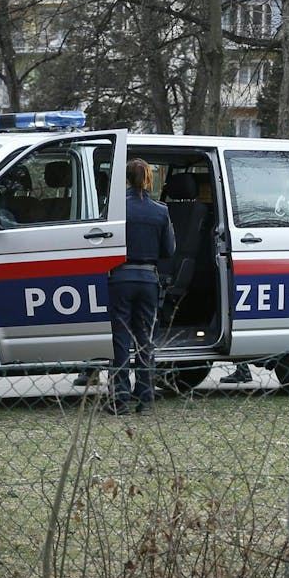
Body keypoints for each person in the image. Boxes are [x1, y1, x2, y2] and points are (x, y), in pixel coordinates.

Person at [108, 157, 175, 414]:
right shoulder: (161, 211)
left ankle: (120, 398)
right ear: (149, 179)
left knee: (121, 339)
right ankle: (145, 398)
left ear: (126, 178)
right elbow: (169, 250)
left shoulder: (117, 209)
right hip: (148, 279)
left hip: (121, 278)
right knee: (145, 340)